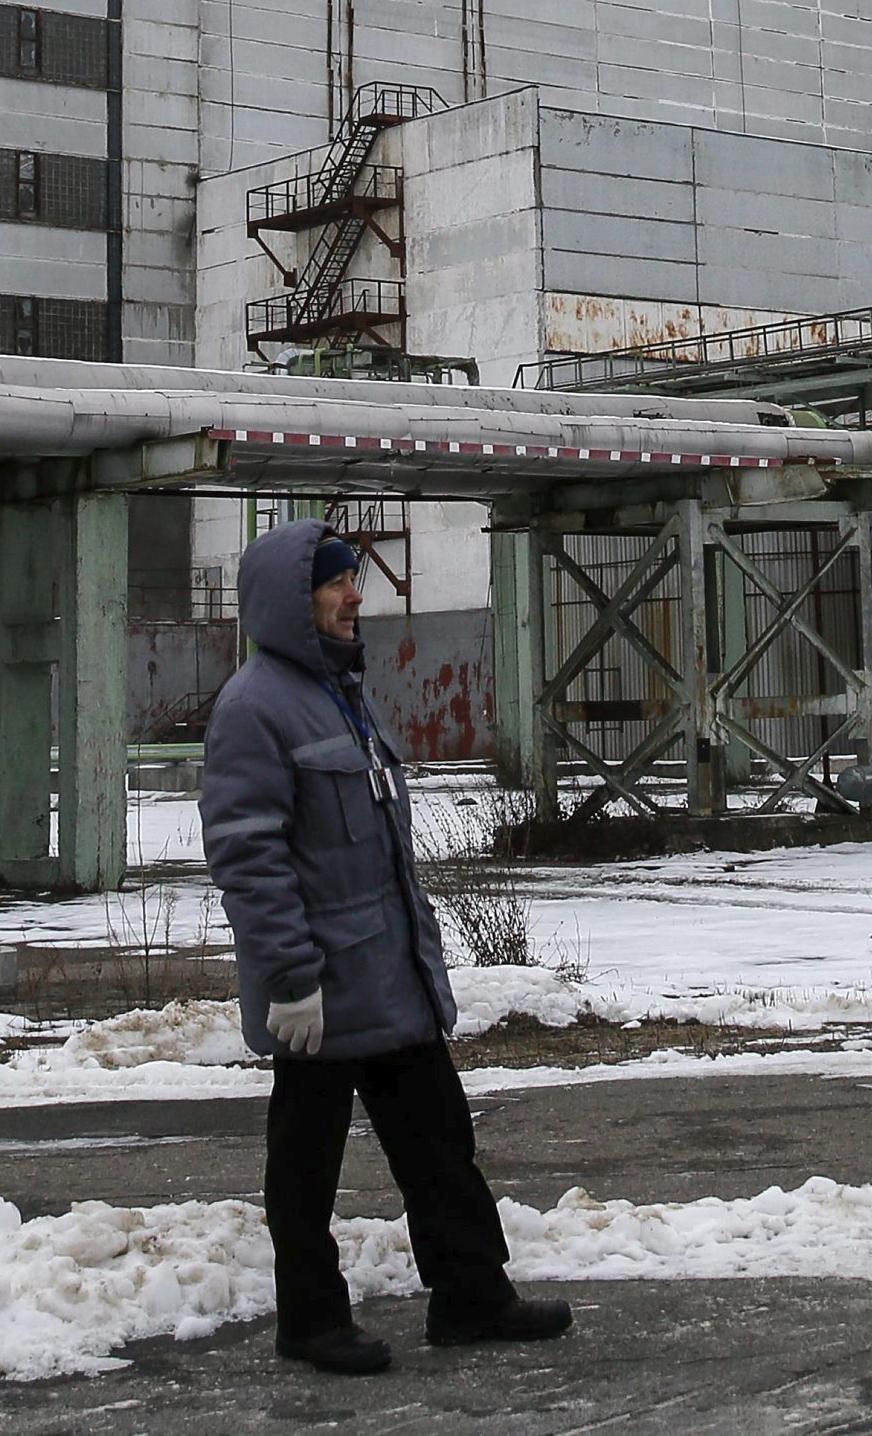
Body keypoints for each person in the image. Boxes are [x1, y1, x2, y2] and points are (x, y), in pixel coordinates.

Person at [201, 517, 574, 1375]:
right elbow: (248, 856)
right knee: (306, 1166)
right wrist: (291, 979)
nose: (354, 595)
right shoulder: (253, 708)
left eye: (350, 581)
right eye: (335, 583)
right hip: (322, 990)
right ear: (289, 603)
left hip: (389, 976)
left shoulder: (344, 692)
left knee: (440, 1143)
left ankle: (472, 1296)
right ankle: (312, 1321)